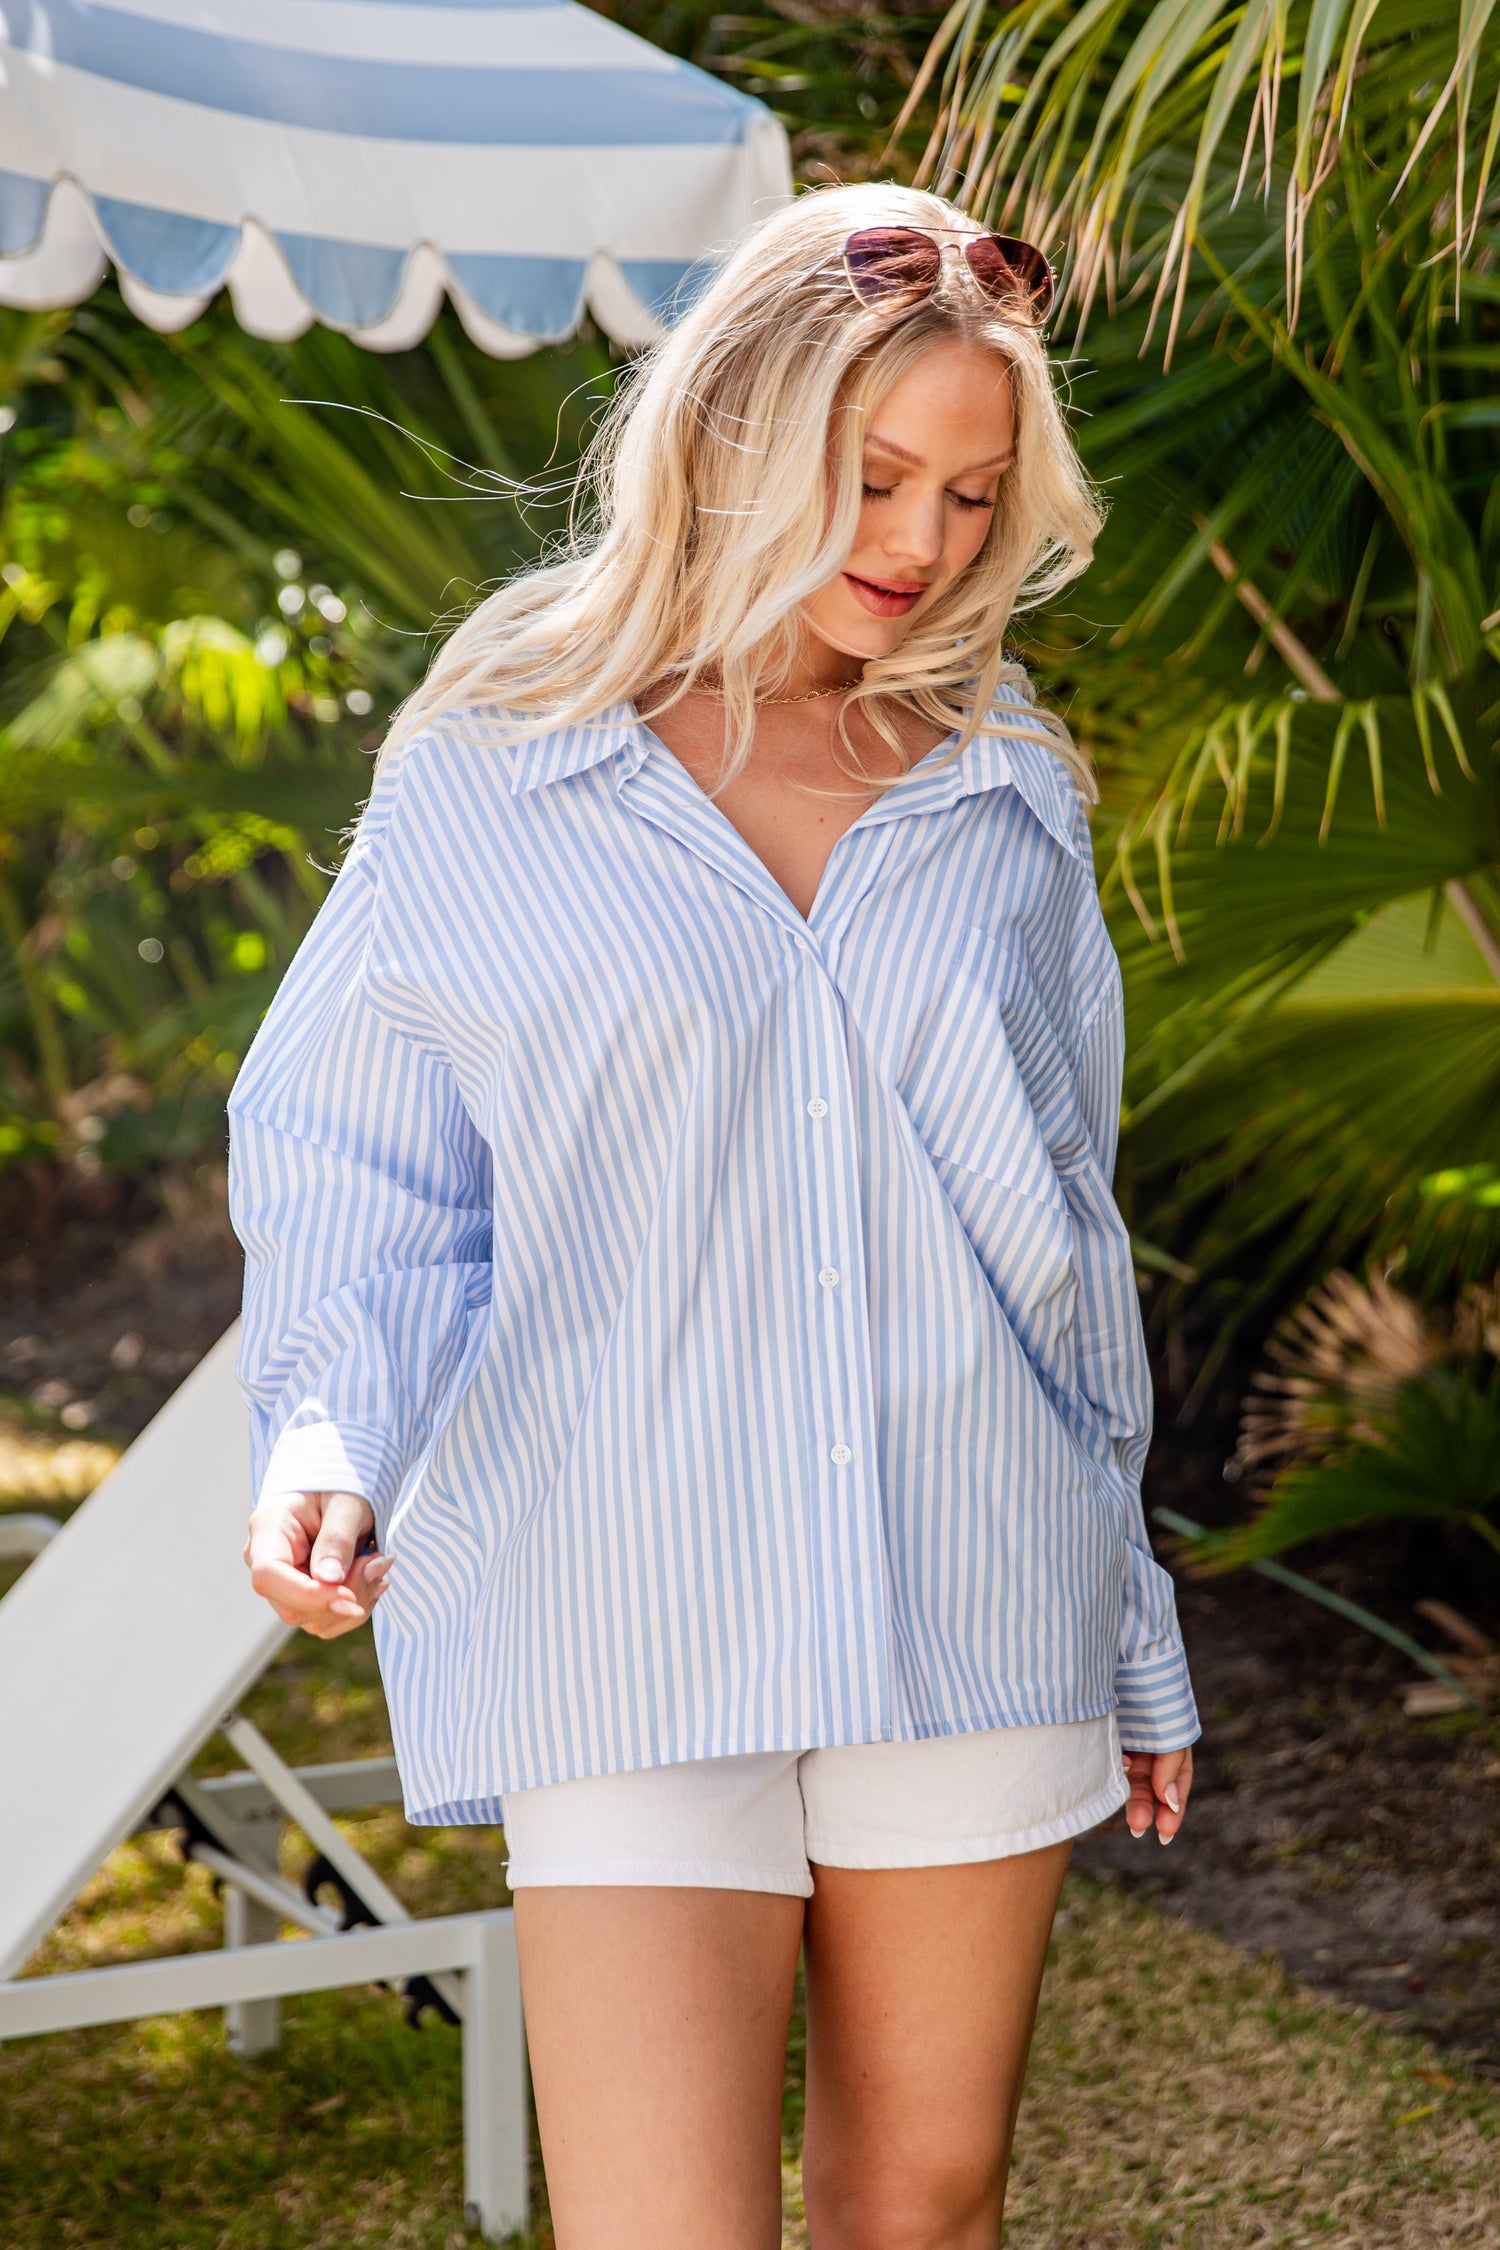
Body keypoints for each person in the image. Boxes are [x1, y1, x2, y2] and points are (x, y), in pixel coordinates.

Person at [231, 181, 1199, 2250]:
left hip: (973, 1579)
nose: (922, 541)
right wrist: (327, 1436)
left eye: (969, 490)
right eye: (874, 475)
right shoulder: (496, 765)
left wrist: (1132, 1618)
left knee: (919, 2214)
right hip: (621, 1589)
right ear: (739, 430)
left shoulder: (1008, 786)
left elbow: (1061, 1243)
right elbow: (364, 1163)